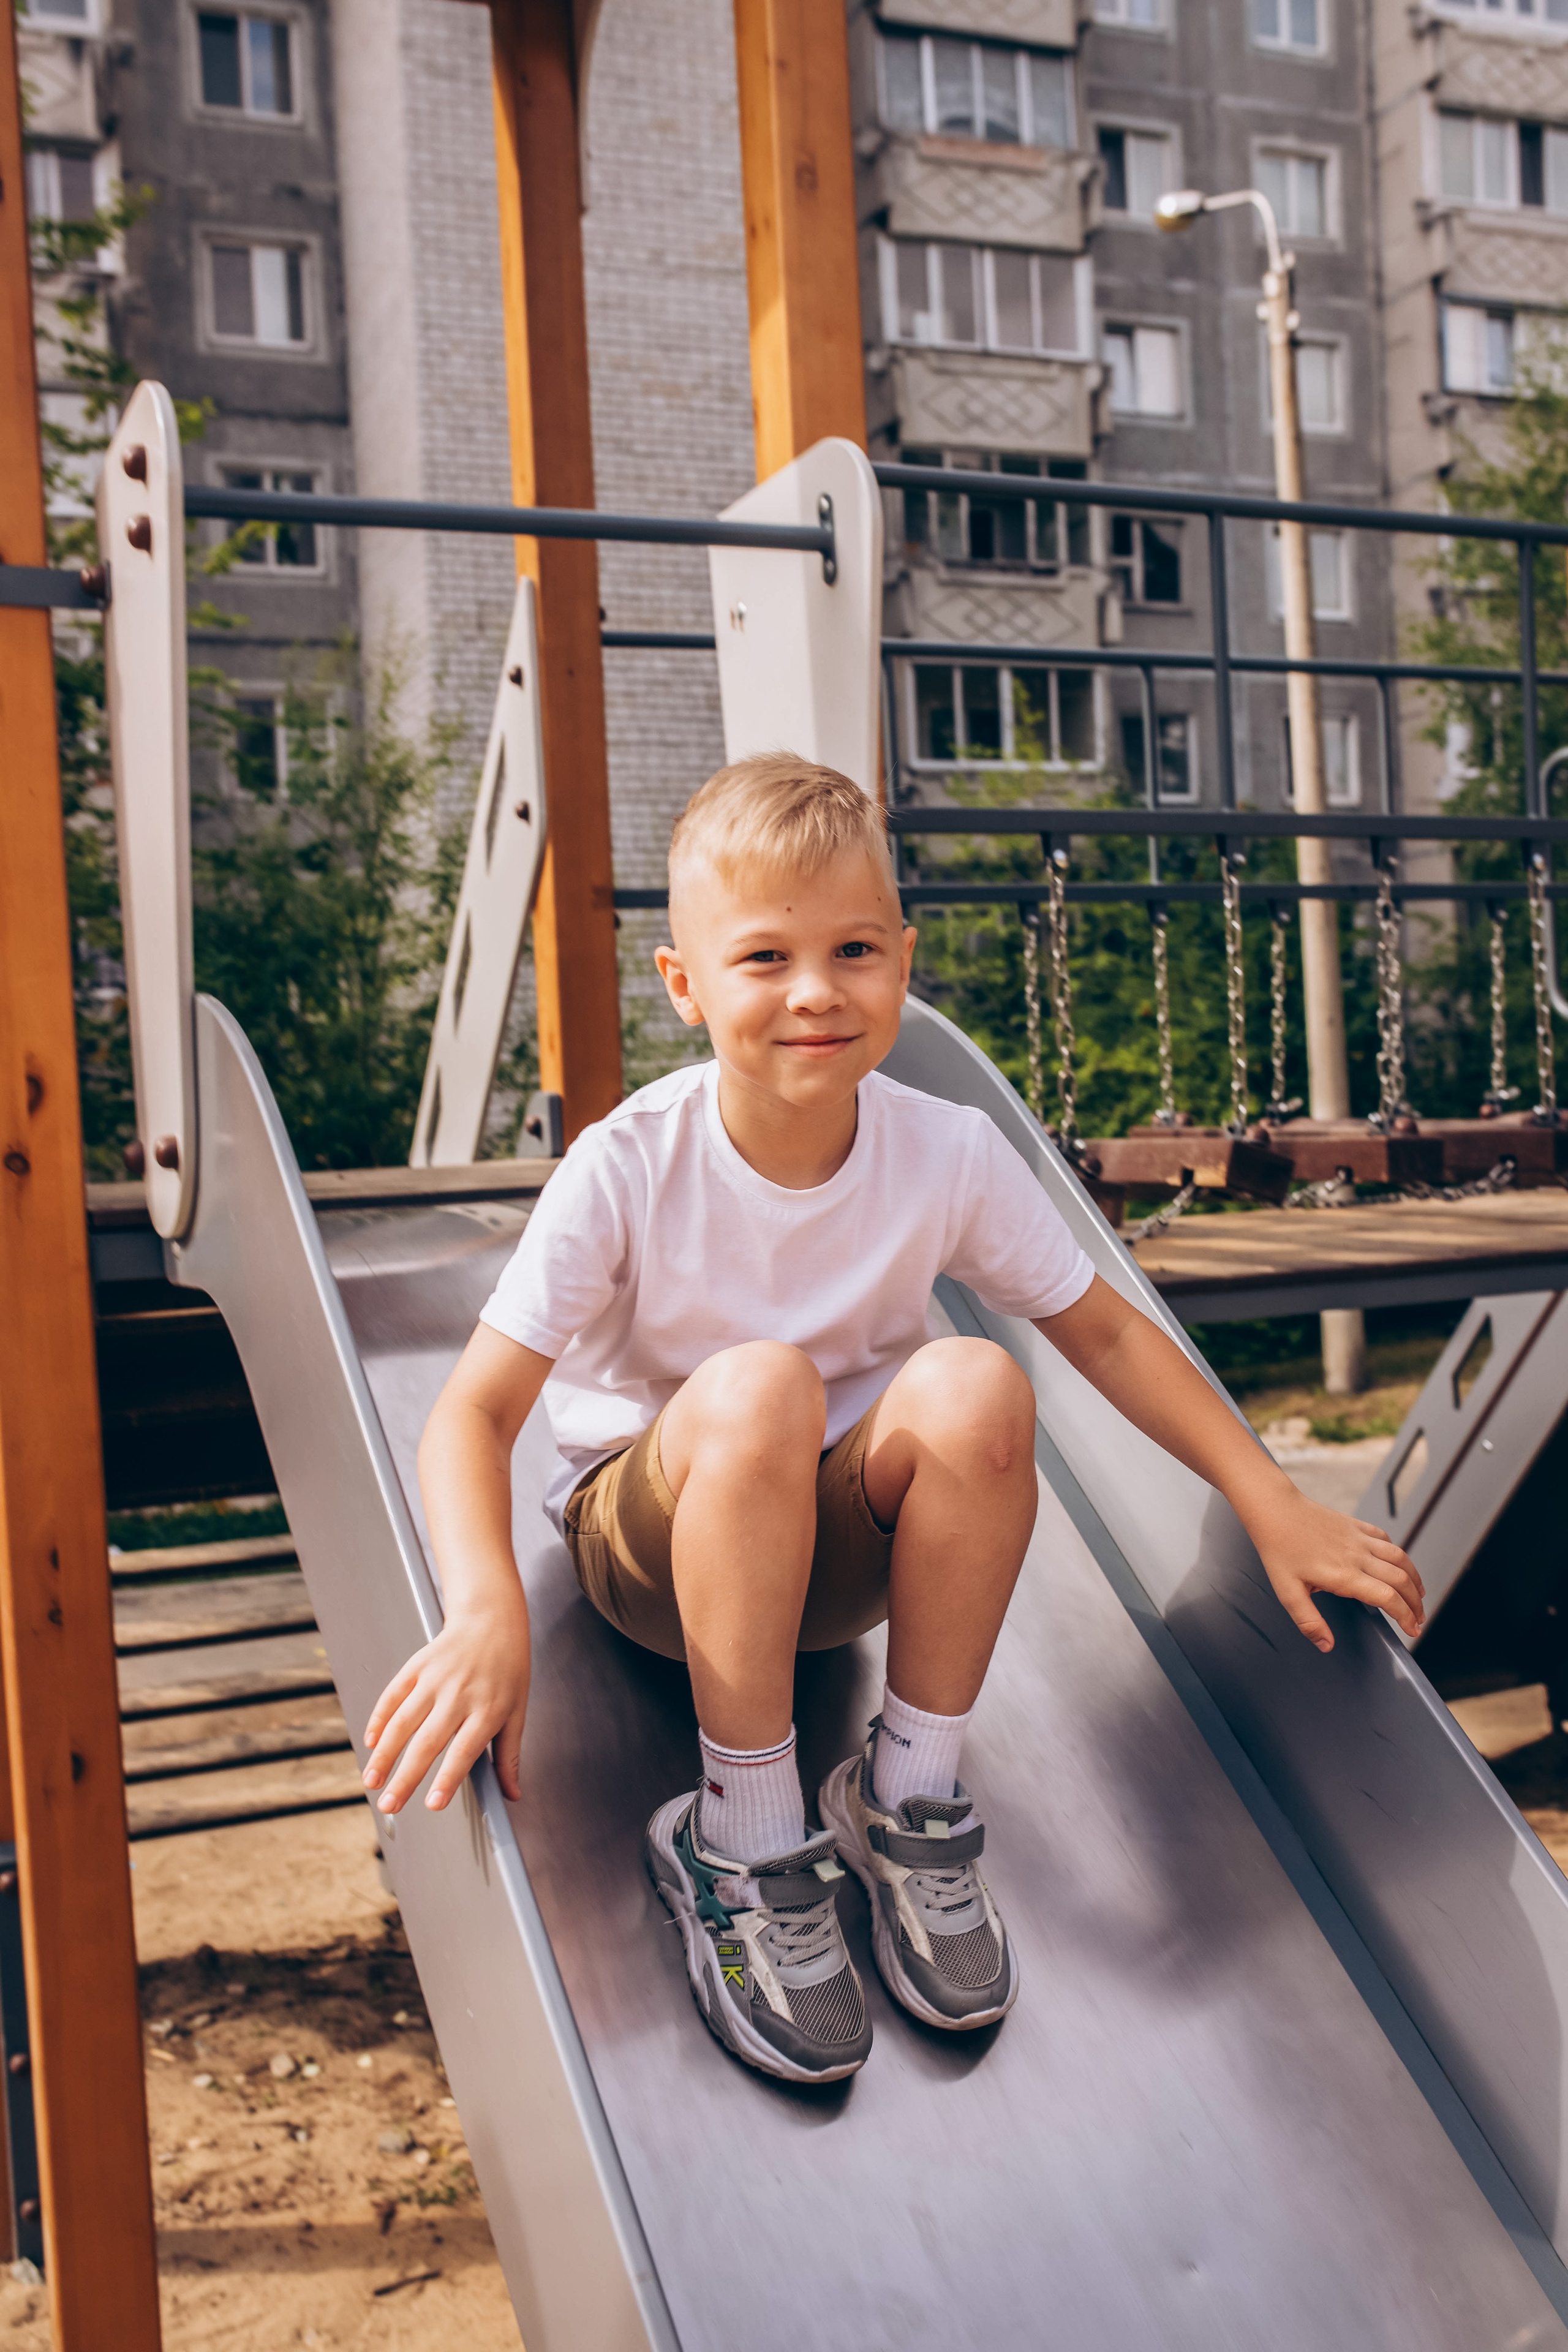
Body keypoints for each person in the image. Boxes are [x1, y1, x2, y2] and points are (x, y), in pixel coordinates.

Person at [360, 753, 1425, 2088]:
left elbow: (1099, 1328)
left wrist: (1267, 1500)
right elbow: (474, 1410)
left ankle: (904, 1794)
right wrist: (483, 1612)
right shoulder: (628, 1164)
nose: (815, 991)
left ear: (902, 960)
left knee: (980, 1383)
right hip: (655, 1548)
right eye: (763, 958)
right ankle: (738, 1836)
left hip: (836, 1562)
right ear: (683, 986)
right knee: (757, 1386)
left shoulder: (944, 1150)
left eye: (853, 948)